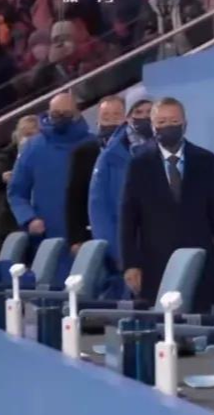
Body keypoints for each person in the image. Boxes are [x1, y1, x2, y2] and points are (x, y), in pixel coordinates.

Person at [120, 97, 214, 313]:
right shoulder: (139, 163)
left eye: (174, 121)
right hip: (155, 265)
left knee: (198, 323)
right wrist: (130, 264)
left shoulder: (205, 160)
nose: (168, 127)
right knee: (161, 326)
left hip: (199, 263)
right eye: (162, 122)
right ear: (152, 125)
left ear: (185, 124)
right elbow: (128, 218)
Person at [7, 93, 94, 284]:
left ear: (77, 113)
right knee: (48, 290)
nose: (60, 118)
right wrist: (29, 218)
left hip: (85, 237)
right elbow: (17, 191)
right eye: (55, 113)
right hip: (46, 237)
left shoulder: (92, 144)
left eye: (66, 113)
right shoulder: (33, 146)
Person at [89, 88, 154, 295]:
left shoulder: (167, 151)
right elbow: (99, 209)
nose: (144, 117)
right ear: (128, 116)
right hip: (124, 253)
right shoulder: (109, 156)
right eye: (138, 112)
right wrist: (118, 254)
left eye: (149, 112)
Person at [65, 96, 126, 255]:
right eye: (106, 117)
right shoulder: (83, 153)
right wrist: (76, 239)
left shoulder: (137, 150)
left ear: (126, 119)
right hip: (91, 234)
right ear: (98, 121)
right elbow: (75, 198)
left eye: (116, 116)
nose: (111, 121)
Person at [0, 115, 39, 268]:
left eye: (34, 134)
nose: (30, 139)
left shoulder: (43, 154)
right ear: (18, 135)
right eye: (27, 134)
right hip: (6, 224)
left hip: (32, 223)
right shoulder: (6, 156)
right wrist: (2, 177)